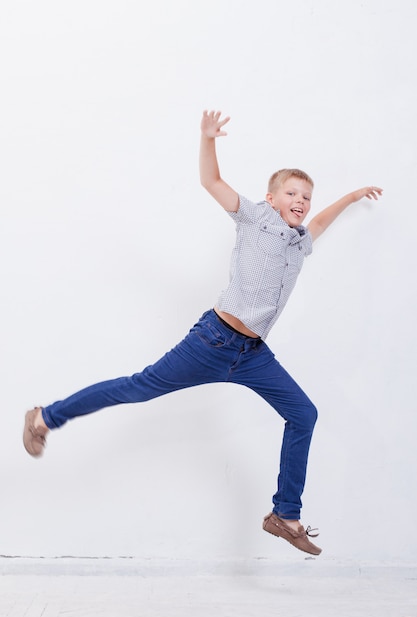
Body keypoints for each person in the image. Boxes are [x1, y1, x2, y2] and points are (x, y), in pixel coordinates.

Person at [23, 110, 382, 556]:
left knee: (303, 414)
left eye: (306, 196)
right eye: (292, 192)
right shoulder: (255, 218)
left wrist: (349, 196)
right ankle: (45, 417)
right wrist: (207, 139)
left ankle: (285, 515)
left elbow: (321, 224)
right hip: (212, 341)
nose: (301, 201)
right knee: (137, 389)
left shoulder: (298, 240)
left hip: (253, 355)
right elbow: (211, 182)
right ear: (271, 198)